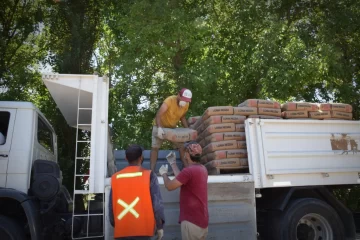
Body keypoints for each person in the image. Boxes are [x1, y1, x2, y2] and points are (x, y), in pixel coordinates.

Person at [109, 144, 165, 240]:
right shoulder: (149, 175)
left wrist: (117, 225)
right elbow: (157, 204)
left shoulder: (115, 178)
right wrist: (159, 226)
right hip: (143, 231)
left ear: (126, 158)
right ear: (141, 158)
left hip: (122, 230)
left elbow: (111, 206)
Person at [159, 141, 209, 240]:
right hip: (202, 220)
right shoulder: (202, 169)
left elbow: (169, 186)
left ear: (186, 154)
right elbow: (182, 178)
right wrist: (173, 163)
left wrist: (163, 174)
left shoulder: (189, 171)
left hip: (192, 222)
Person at [150, 88, 193, 171]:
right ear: (178, 95)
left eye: (187, 101)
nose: (185, 102)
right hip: (160, 126)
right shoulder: (169, 101)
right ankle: (152, 171)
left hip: (172, 128)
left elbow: (182, 117)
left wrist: (188, 130)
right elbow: (158, 114)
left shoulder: (186, 105)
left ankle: (188, 169)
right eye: (184, 99)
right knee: (155, 148)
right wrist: (159, 128)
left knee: (181, 147)